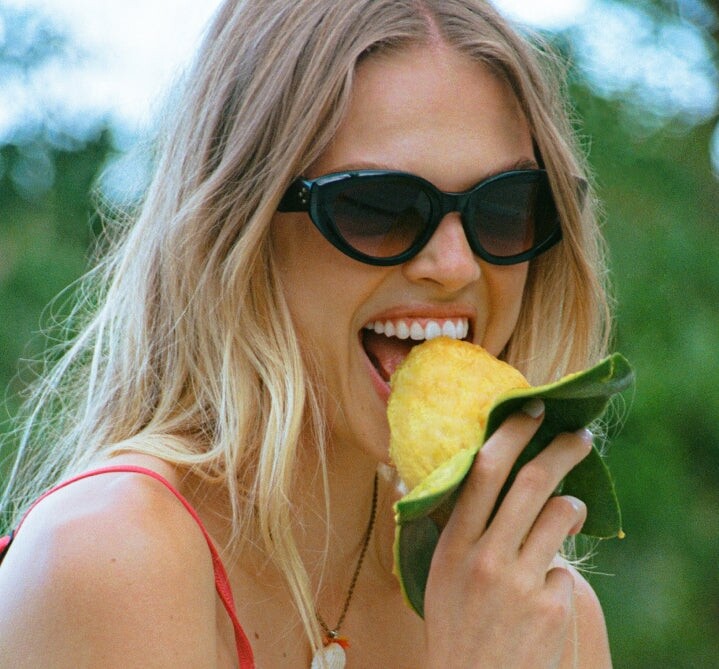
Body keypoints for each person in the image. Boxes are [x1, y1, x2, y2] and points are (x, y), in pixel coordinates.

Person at [0, 0, 614, 666]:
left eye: (506, 207)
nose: (455, 265)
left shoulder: (545, 615)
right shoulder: (111, 556)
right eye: (378, 207)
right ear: (240, 226)